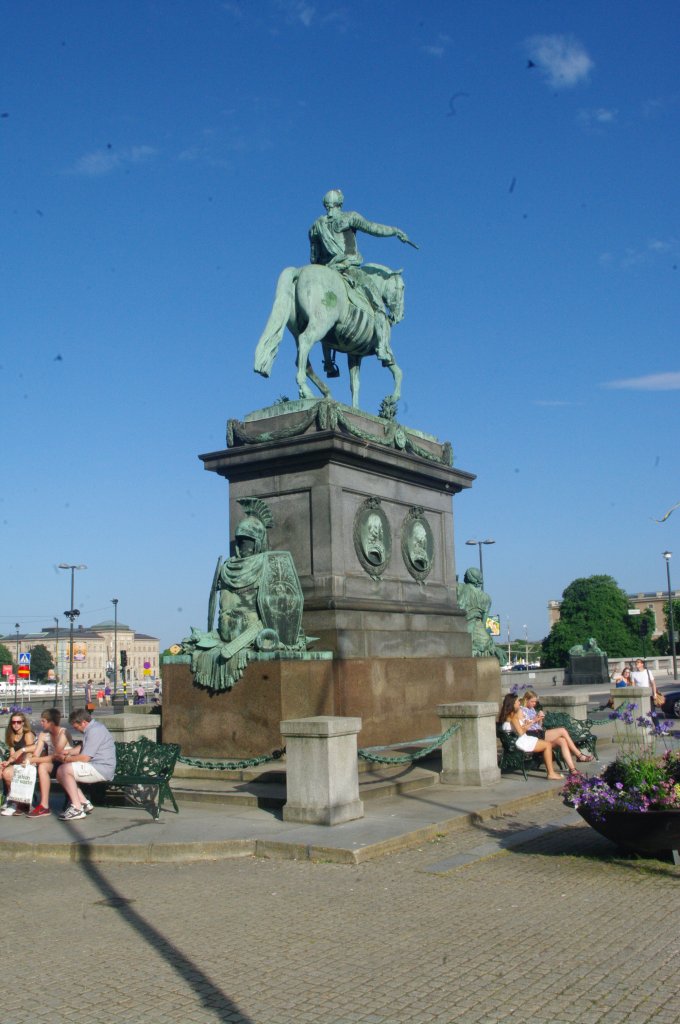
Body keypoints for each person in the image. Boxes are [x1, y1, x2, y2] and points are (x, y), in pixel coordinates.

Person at [308, 189, 414, 371]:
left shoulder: (316, 226)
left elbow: (313, 257)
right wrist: (395, 231)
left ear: (325, 205)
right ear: (340, 203)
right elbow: (374, 229)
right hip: (349, 269)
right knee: (379, 306)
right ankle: (382, 348)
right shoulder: (349, 218)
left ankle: (327, 361)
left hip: (325, 271)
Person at [54, 709, 116, 821]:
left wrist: (66, 759)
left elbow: (84, 758)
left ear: (83, 722)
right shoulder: (93, 728)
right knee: (60, 772)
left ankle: (77, 808)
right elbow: (83, 747)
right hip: (98, 765)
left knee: (64, 770)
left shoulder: (94, 731)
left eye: (76, 726)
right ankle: (83, 802)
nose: (76, 729)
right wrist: (69, 752)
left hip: (101, 768)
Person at [498, 694, 563, 780]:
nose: (519, 703)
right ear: (513, 703)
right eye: (517, 701)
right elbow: (521, 732)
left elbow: (517, 730)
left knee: (547, 744)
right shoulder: (513, 716)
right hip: (520, 741)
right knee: (548, 745)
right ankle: (551, 773)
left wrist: (526, 724)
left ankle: (548, 770)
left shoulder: (507, 715)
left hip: (515, 740)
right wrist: (529, 725)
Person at [518, 690, 594, 765]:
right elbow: (524, 727)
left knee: (562, 740)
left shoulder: (532, 709)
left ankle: (572, 769)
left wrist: (540, 719)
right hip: (532, 734)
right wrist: (535, 720)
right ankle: (579, 755)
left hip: (539, 731)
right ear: (526, 699)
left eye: (535, 702)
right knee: (562, 731)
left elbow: (539, 726)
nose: (534, 704)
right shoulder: (521, 710)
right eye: (532, 701)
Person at [24, 708, 72, 818]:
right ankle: (44, 805)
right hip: (54, 763)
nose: (41, 723)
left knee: (45, 765)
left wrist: (34, 760)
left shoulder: (63, 732)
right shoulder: (43, 734)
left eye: (43, 721)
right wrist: (30, 758)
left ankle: (71, 799)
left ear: (51, 722)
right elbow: (37, 753)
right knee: (42, 767)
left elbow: (55, 755)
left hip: (66, 763)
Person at [0, 711, 37, 815]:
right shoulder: (11, 735)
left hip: (27, 762)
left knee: (7, 773)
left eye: (18, 722)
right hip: (17, 763)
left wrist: (21, 750)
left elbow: (33, 749)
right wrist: (7, 762)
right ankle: (13, 799)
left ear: (23, 723)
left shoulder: (28, 734)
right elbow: (12, 755)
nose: (15, 724)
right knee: (2, 771)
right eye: (13, 722)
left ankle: (15, 802)